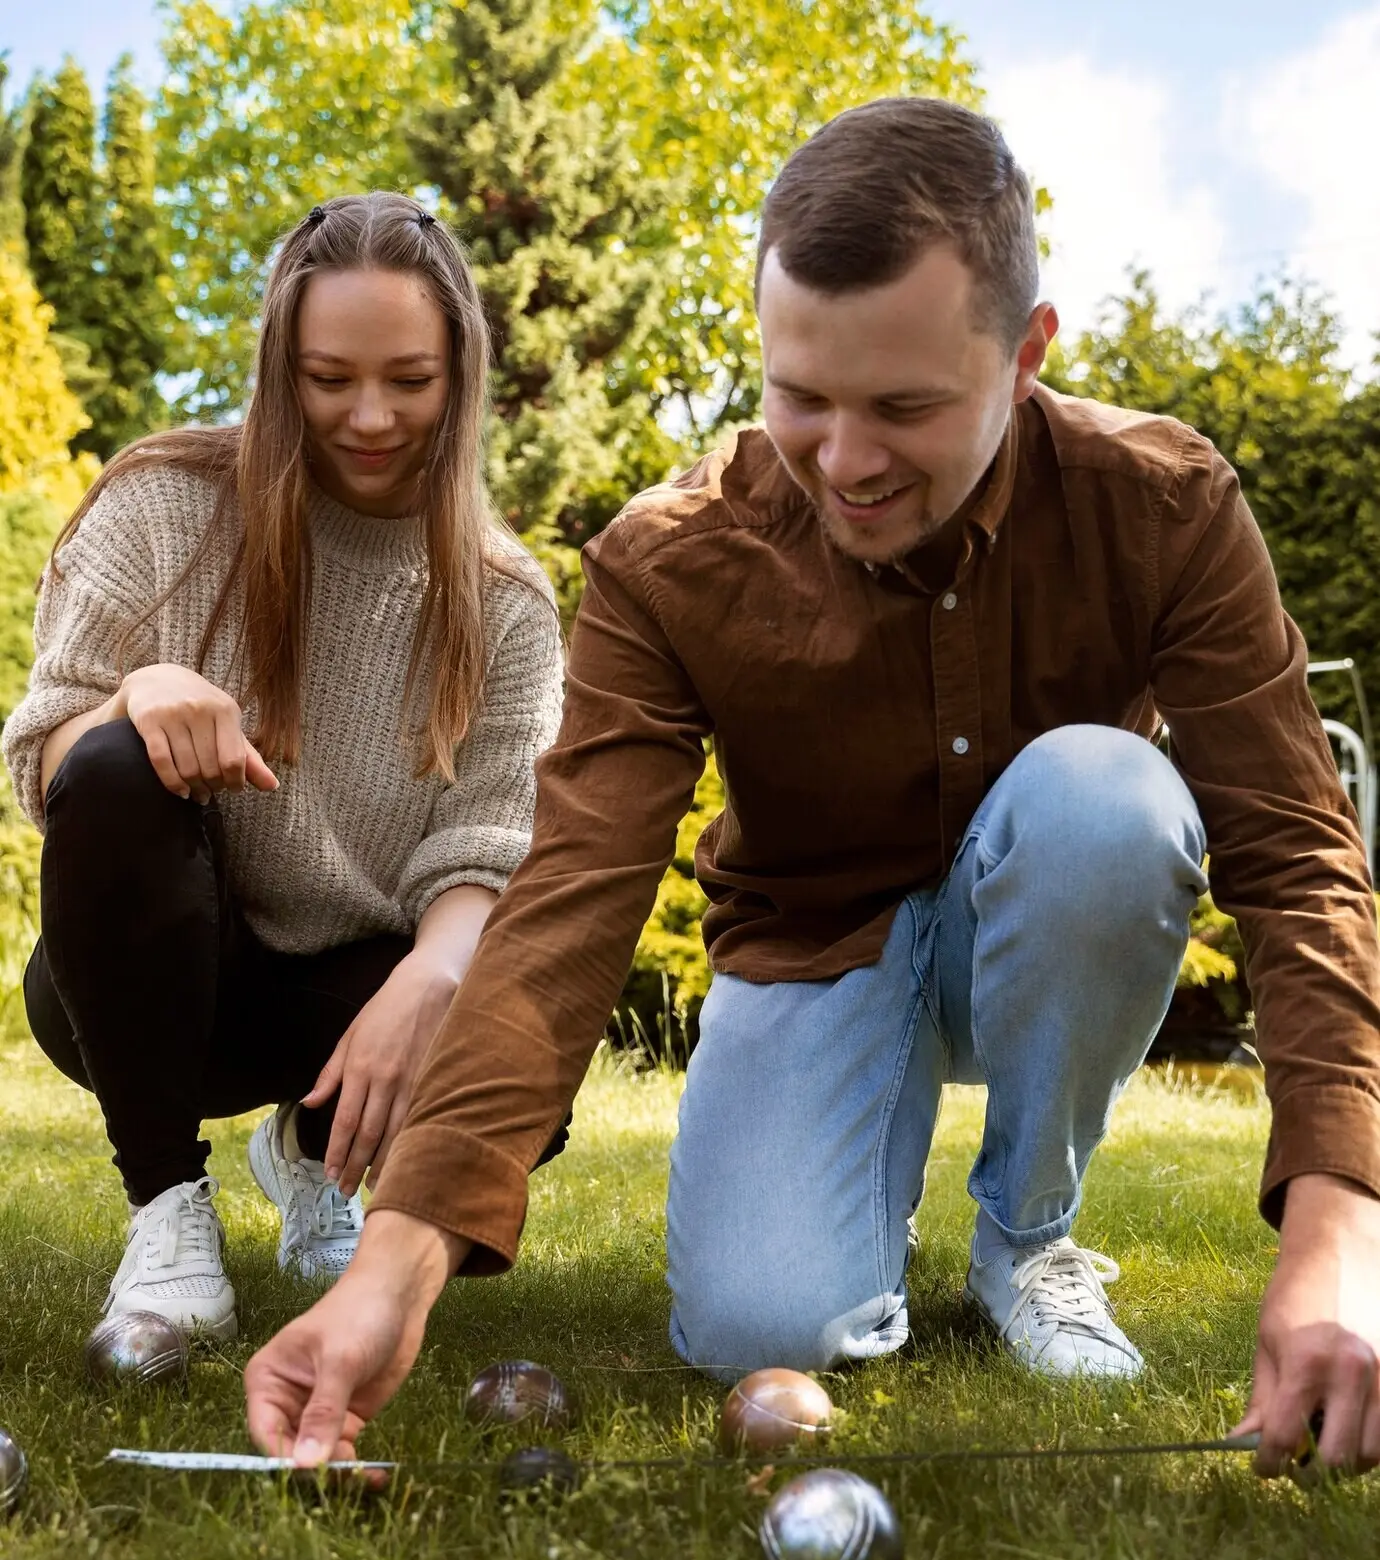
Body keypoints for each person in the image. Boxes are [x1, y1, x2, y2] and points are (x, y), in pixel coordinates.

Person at [244, 102, 1380, 1480]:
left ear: (1027, 357)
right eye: (802, 397)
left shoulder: (1165, 503)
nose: (846, 460)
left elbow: (1299, 856)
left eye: (905, 407)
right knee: (760, 1319)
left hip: (1053, 910)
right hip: (815, 944)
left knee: (1111, 795)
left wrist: (1338, 1243)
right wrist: (397, 1263)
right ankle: (853, 1193)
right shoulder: (672, 560)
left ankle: (1028, 1236)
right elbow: (567, 906)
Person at [3, 192, 565, 1343]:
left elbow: (493, 841)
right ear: (279, 367)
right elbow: (42, 753)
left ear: (460, 375)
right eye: (328, 379)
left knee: (523, 1026)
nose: (370, 416)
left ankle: (314, 1151)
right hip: (167, 979)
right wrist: (132, 695)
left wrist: (437, 982)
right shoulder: (162, 499)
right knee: (111, 764)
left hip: (355, 987)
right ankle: (167, 1214)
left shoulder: (506, 599)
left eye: (410, 381)